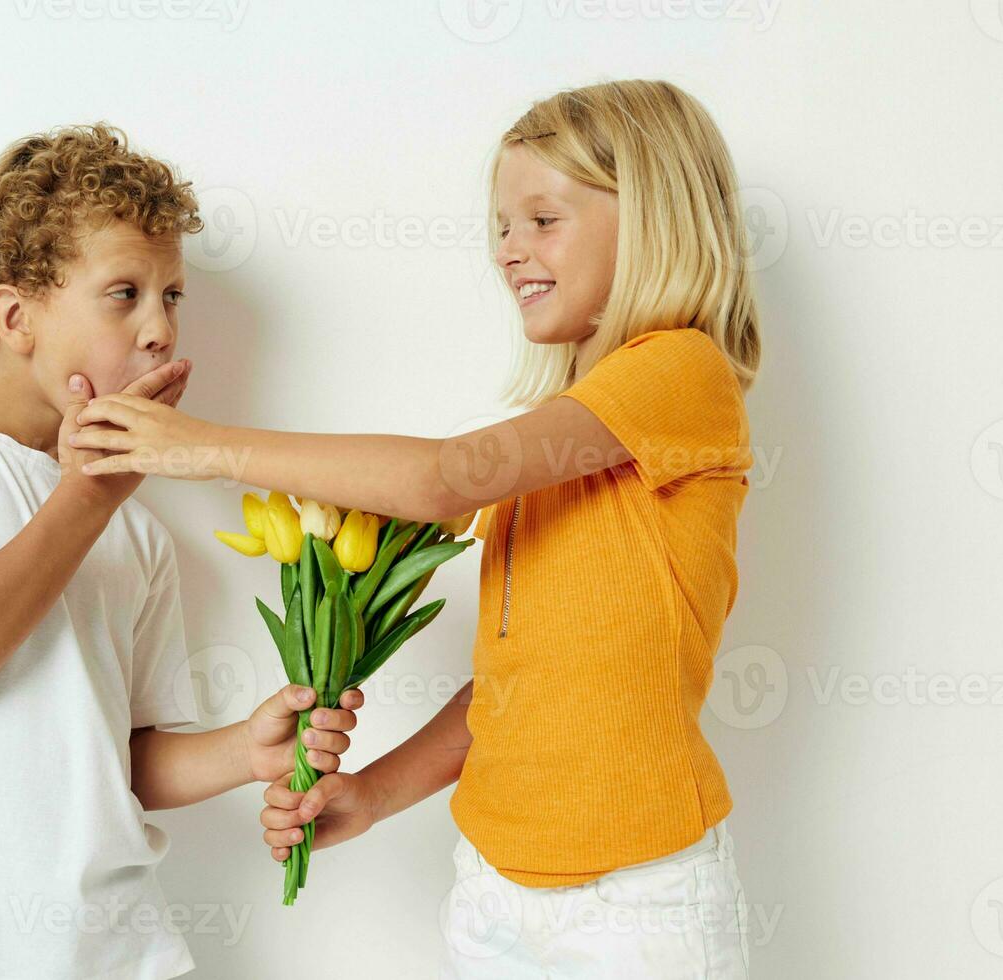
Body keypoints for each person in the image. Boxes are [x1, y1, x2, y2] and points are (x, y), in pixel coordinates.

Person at [68, 81, 760, 976]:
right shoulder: (568, 435)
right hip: (494, 887)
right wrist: (372, 795)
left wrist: (203, 449)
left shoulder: (679, 372)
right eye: (501, 228)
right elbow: (513, 687)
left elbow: (441, 481)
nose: (511, 251)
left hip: (635, 902)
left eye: (543, 219)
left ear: (657, 221)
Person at [0, 124, 363, 979]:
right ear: (15, 317)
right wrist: (90, 492)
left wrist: (243, 751)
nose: (160, 329)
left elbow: (124, 756)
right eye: (124, 294)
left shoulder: (138, 530)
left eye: (173, 296)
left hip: (113, 946)